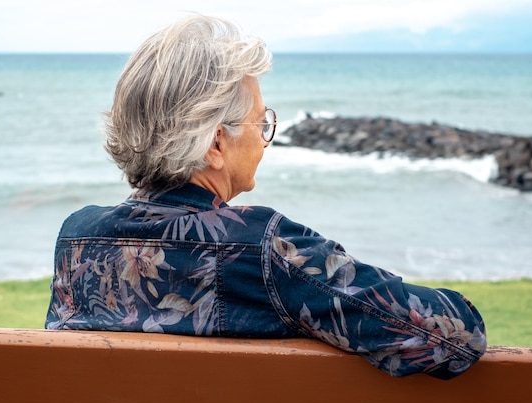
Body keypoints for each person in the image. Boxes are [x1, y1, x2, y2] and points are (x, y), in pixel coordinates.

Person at [45, 14, 487, 379]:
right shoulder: (263, 248)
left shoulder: (76, 239)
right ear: (216, 145)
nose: (263, 140)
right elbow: (453, 338)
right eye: (262, 123)